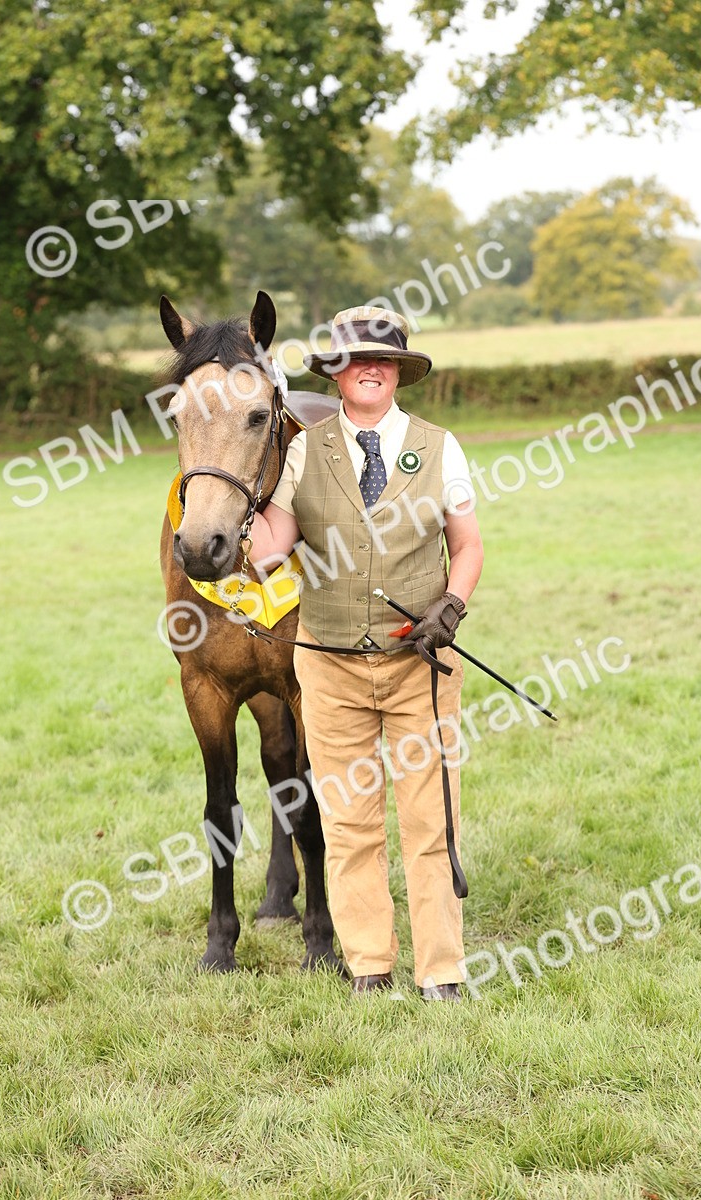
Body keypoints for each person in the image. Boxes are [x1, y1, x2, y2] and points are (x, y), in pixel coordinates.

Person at [248, 306, 484, 1001]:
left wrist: (453, 603)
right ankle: (368, 968)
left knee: (430, 820)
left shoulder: (441, 447)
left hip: (422, 665)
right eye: (356, 359)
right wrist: (230, 517)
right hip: (329, 663)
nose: (370, 368)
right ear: (337, 373)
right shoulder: (303, 451)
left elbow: (466, 545)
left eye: (384, 359)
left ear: (400, 371)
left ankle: (441, 972)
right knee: (349, 822)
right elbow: (273, 545)